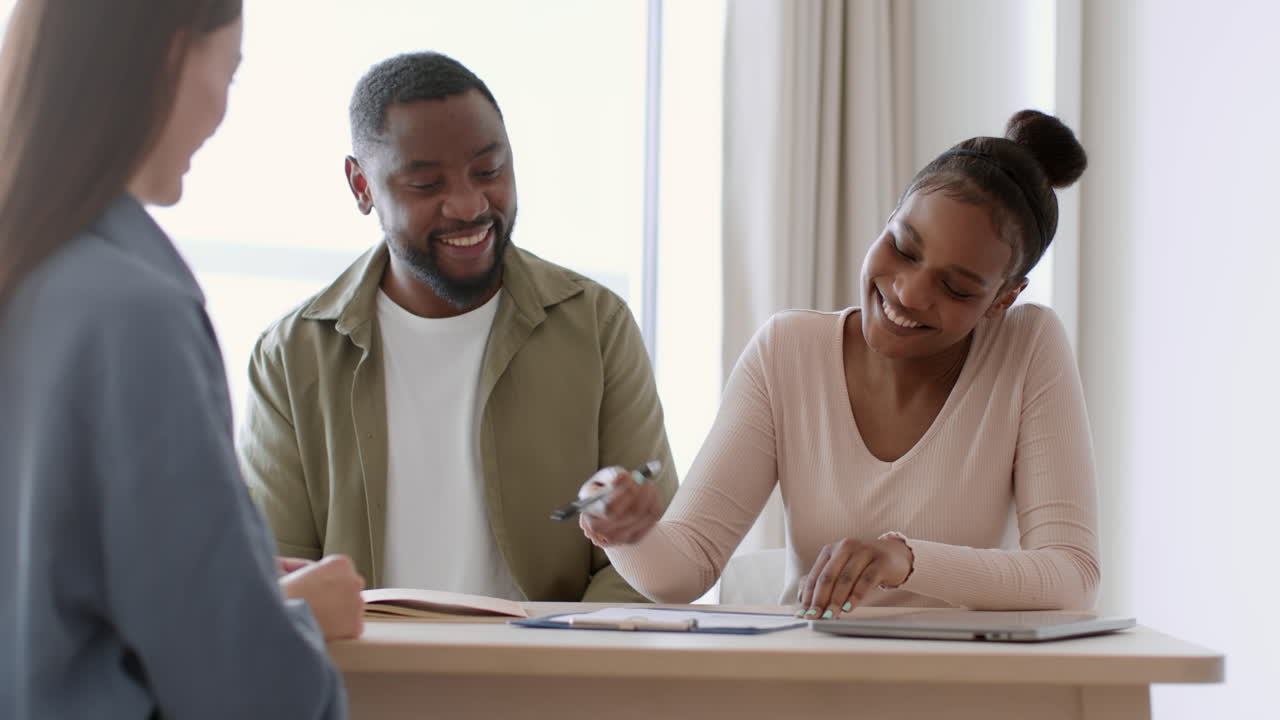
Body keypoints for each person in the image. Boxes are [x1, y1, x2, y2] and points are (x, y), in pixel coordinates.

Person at [581, 110, 1100, 619]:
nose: (909, 292)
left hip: (958, 691)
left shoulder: (1027, 345)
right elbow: (685, 569)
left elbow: (1072, 576)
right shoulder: (787, 350)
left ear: (1002, 299)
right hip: (810, 685)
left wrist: (905, 559)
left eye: (956, 287)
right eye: (902, 247)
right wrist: (626, 531)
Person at [0, 2, 364, 718]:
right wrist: (287, 615)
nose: (223, 113)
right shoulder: (133, 314)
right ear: (171, 60)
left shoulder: (35, 279)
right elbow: (242, 687)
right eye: (228, 71)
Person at [238, 51, 676, 603]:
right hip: (369, 684)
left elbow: (649, 562)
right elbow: (277, 581)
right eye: (425, 185)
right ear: (361, 186)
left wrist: (633, 534)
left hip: (552, 681)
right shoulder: (290, 355)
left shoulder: (596, 325)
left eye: (489, 171)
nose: (469, 206)